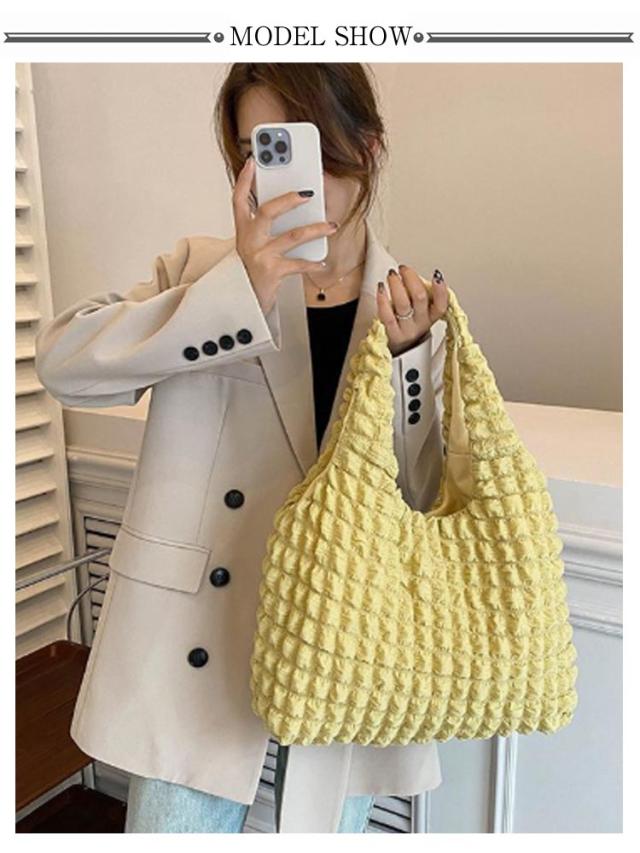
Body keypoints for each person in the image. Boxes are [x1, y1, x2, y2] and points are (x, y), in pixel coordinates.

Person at [35, 63, 449, 833]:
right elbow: (63, 365)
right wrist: (238, 292)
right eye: (263, 149)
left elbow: (424, 496)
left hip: (351, 635)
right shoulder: (203, 273)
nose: (289, 175)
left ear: (366, 146)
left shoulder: (407, 303)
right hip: (200, 633)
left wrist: (414, 360)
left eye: (306, 144)